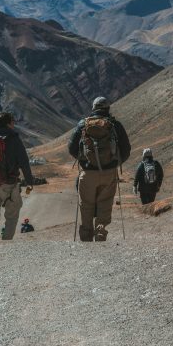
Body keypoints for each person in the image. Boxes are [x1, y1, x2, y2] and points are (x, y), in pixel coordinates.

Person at [68, 96, 131, 242]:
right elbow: (126, 150)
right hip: (109, 173)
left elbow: (71, 148)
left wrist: (84, 160)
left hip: (87, 173)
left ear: (93, 108)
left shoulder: (82, 125)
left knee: (86, 205)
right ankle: (101, 234)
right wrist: (114, 163)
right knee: (105, 204)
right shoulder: (114, 125)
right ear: (107, 108)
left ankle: (86, 237)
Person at [0, 112, 35, 242]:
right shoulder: (14, 139)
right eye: (13, 121)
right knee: (12, 215)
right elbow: (24, 162)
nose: (14, 123)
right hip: (10, 185)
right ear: (9, 123)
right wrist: (29, 182)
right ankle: (6, 244)